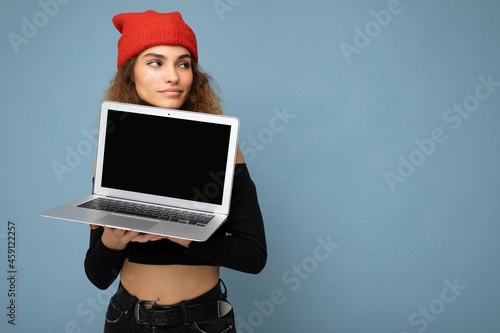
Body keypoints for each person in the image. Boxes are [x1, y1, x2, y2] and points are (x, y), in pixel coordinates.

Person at [84, 10, 267, 333]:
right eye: (156, 62)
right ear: (130, 75)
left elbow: (253, 256)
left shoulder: (224, 151)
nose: (173, 76)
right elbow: (98, 276)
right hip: (125, 320)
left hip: (200, 323)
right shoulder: (111, 156)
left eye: (183, 63)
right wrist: (112, 239)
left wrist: (184, 235)